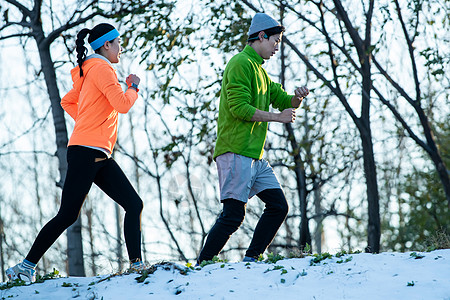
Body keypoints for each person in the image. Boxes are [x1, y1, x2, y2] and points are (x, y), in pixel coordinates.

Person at [6, 23, 144, 283]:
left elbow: (68, 102)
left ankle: (137, 266)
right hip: (87, 151)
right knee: (68, 214)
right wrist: (133, 87)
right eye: (117, 43)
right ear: (106, 45)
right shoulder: (103, 69)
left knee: (134, 204)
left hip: (97, 151)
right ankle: (25, 267)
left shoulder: (88, 70)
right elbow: (122, 104)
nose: (120, 49)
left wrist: (90, 120)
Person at [197, 13, 309, 264]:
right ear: (261, 36)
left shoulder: (261, 72)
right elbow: (239, 109)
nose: (277, 47)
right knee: (233, 216)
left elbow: (284, 101)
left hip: (255, 158)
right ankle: (202, 265)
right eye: (275, 41)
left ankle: (251, 259)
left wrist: (298, 98)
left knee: (279, 206)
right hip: (235, 151)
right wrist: (278, 118)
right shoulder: (240, 63)